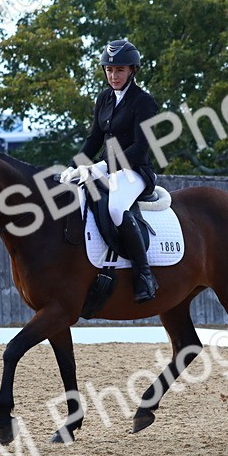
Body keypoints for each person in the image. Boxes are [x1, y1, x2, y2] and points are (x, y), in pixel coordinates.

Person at [59, 38, 160, 303]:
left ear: (132, 71)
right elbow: (94, 139)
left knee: (116, 208)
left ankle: (145, 275)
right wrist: (73, 167)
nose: (113, 75)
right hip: (103, 169)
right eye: (109, 70)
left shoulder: (144, 102)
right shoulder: (104, 98)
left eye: (120, 70)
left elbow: (141, 147)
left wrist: (104, 166)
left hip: (135, 171)